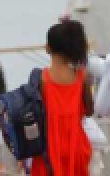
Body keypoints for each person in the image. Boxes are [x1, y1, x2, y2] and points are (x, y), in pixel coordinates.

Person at [28, 20, 95, 175]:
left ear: (48, 48)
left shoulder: (40, 79)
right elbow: (89, 111)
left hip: (47, 151)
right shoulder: (82, 78)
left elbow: (32, 115)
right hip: (76, 149)